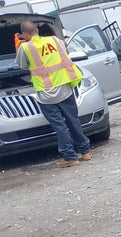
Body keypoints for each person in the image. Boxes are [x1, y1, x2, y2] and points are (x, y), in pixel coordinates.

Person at [16, 20, 93, 167]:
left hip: (46, 94)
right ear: (37, 30)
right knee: (73, 121)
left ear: (24, 34)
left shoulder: (26, 47)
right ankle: (85, 151)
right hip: (64, 86)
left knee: (60, 126)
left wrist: (18, 47)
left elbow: (22, 65)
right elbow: (63, 55)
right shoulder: (55, 40)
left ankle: (70, 157)